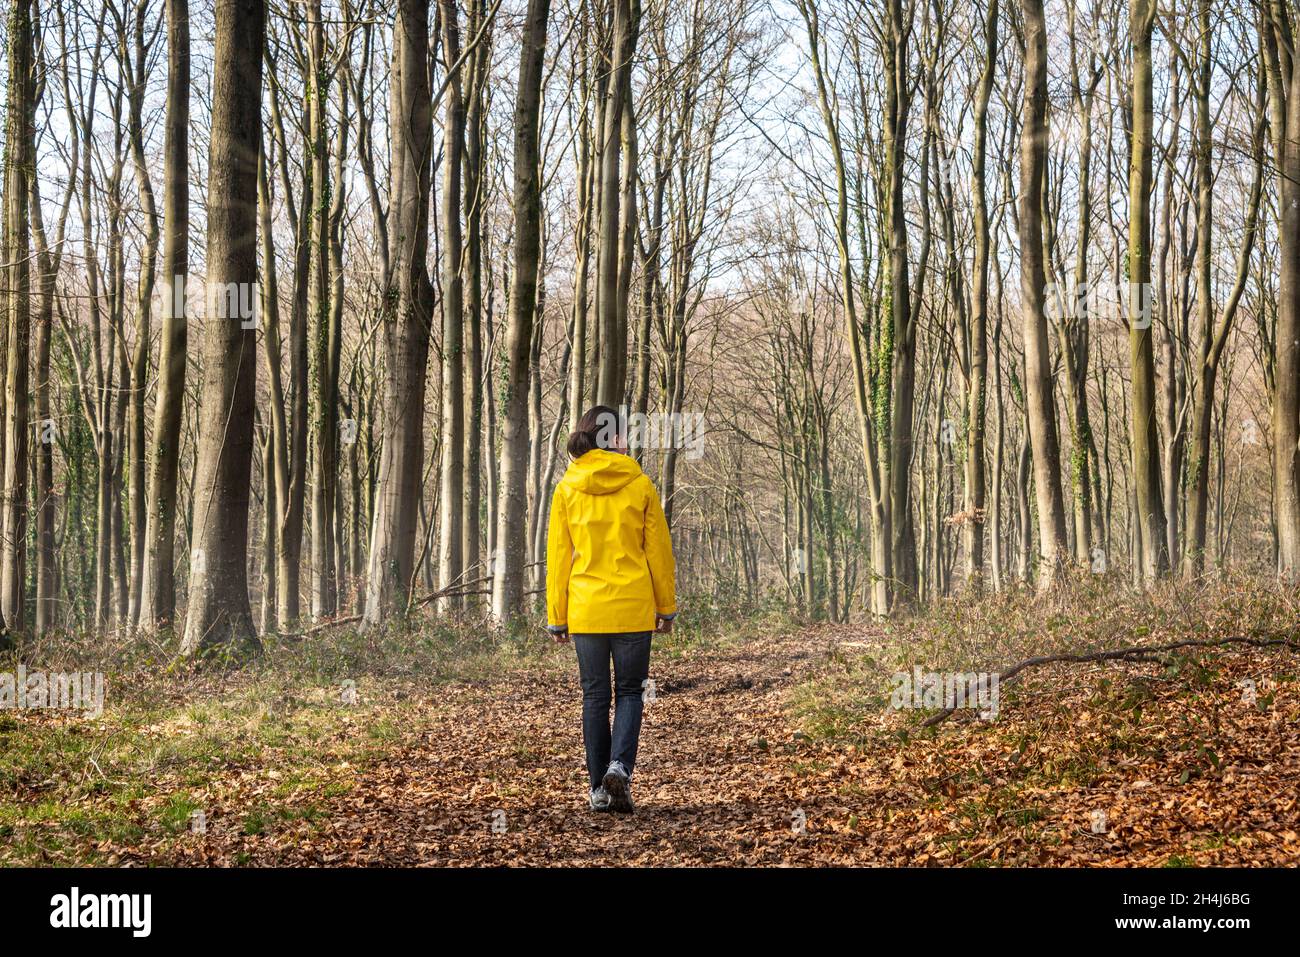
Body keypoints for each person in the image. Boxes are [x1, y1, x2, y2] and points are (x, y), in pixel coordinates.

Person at [546, 405, 677, 813]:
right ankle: (619, 765)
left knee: (595, 697)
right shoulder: (639, 485)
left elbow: (559, 558)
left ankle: (598, 790)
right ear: (613, 439)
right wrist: (666, 607)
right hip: (632, 607)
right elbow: (659, 552)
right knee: (631, 691)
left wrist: (557, 616)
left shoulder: (567, 488)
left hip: (587, 610)